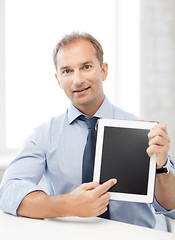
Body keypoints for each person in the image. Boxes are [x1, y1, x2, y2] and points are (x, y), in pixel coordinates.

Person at [0, 32, 175, 231]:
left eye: (86, 67)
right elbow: (9, 191)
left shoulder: (141, 129)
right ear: (58, 80)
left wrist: (161, 168)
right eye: (67, 71)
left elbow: (172, 207)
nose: (77, 80)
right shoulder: (44, 135)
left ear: (104, 70)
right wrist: (69, 205)